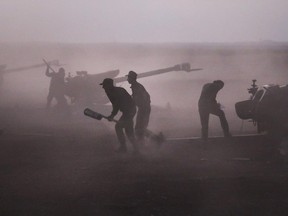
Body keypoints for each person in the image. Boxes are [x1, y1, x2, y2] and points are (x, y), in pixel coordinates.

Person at [100, 78, 139, 154]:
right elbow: (116, 105)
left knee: (118, 127)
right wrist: (112, 115)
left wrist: (112, 115)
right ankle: (136, 149)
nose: (103, 87)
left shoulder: (115, 92)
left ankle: (124, 147)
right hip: (129, 111)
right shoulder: (114, 91)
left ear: (109, 85)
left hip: (129, 111)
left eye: (104, 85)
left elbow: (116, 104)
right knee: (129, 131)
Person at [126, 71, 151, 145]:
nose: (127, 79)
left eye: (128, 77)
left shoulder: (136, 87)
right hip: (143, 108)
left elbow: (139, 98)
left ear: (132, 78)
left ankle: (153, 140)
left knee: (139, 128)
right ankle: (155, 139)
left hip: (144, 109)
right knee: (140, 128)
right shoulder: (136, 86)